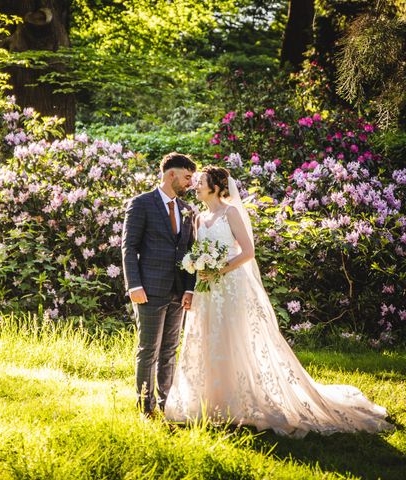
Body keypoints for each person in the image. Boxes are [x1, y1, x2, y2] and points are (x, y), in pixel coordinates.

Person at [164, 166, 394, 437]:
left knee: (234, 339)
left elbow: (247, 252)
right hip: (208, 290)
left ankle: (244, 400)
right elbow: (200, 251)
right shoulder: (200, 218)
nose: (196, 186)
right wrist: (200, 267)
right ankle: (213, 401)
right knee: (208, 338)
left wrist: (219, 269)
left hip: (232, 288)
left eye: (201, 182)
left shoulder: (231, 212)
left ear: (215, 187)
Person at [122, 152, 197, 418]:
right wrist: (134, 285)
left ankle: (167, 404)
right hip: (149, 290)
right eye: (187, 177)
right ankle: (145, 407)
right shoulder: (141, 204)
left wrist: (189, 289)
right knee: (148, 350)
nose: (190, 183)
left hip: (178, 292)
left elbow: (191, 252)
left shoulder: (188, 210)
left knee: (168, 351)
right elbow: (129, 247)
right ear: (171, 174)